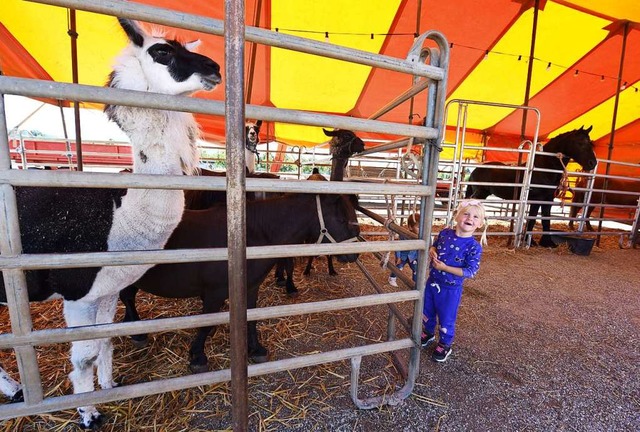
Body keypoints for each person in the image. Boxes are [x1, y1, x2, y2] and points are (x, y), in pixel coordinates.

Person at [421, 200, 487, 362]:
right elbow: (434, 246)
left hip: (450, 289)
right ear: (456, 216)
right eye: (466, 213)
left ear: (479, 224)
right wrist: (432, 250)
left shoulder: (474, 247)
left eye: (475, 216)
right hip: (432, 281)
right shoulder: (444, 233)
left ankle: (445, 343)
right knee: (427, 310)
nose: (469, 218)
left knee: (446, 316)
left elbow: (470, 271)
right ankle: (428, 332)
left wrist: (445, 268)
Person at [388, 213, 421, 287]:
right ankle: (392, 278)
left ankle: (415, 282)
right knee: (399, 267)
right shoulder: (403, 235)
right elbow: (398, 246)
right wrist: (398, 256)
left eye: (422, 227)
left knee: (416, 269)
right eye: (418, 227)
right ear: (410, 227)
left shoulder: (421, 237)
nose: (421, 229)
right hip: (403, 256)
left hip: (413, 257)